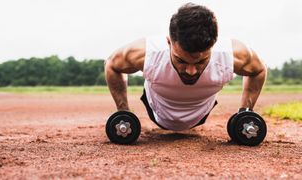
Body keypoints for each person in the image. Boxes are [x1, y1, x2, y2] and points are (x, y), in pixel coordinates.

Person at [105, 3, 267, 131]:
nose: (191, 71)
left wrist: (245, 112)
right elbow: (112, 65)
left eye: (200, 62)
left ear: (213, 45)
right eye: (181, 60)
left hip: (201, 113)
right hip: (157, 112)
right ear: (169, 42)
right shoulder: (148, 53)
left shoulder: (230, 55)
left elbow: (259, 70)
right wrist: (123, 111)